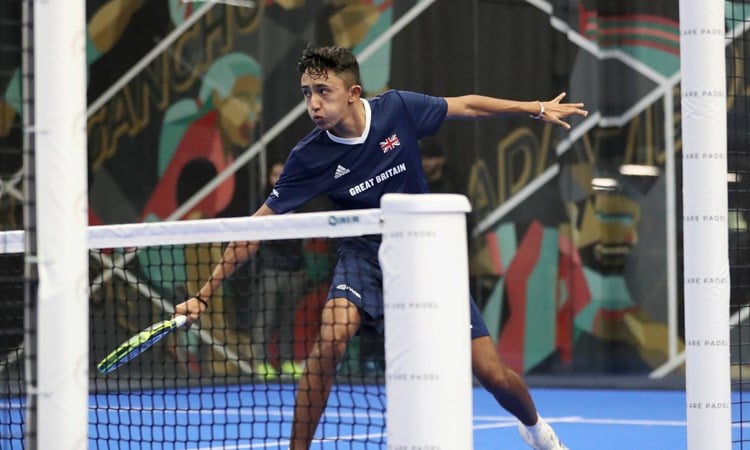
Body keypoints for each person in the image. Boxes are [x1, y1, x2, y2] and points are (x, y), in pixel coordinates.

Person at [174, 45, 587, 450]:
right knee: (332, 338)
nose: (313, 104)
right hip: (362, 258)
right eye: (306, 93)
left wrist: (533, 107)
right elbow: (256, 228)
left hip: (424, 255)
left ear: (354, 93)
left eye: (323, 91)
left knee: (491, 374)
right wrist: (203, 296)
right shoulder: (309, 157)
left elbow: (468, 106)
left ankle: (536, 430)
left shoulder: (398, 110)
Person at [250, 162, 307, 380]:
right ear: (267, 177)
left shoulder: (297, 198)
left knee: (288, 320)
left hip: (294, 271)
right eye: (274, 173)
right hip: (271, 271)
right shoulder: (263, 203)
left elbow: (300, 238)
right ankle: (261, 363)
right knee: (266, 318)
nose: (278, 177)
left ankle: (287, 362)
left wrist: (301, 265)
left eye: (281, 173)